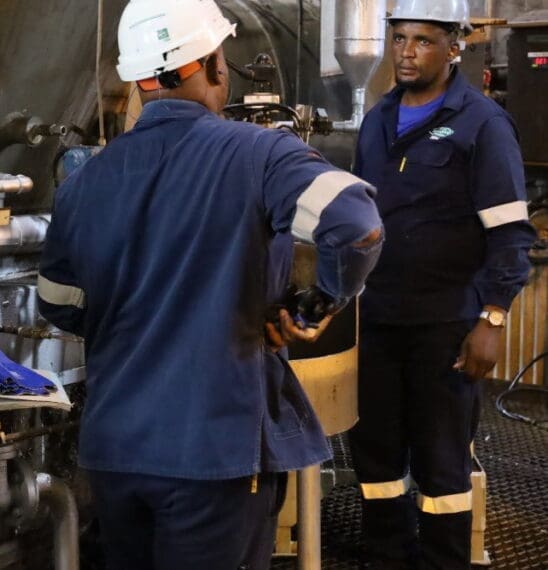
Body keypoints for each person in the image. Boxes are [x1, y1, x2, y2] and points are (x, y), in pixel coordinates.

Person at [37, 0, 385, 566]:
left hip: (115, 452)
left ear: (140, 80)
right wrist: (315, 304)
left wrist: (136, 317)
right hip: (214, 456)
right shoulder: (259, 153)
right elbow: (359, 228)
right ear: (214, 65)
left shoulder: (84, 181)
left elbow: (59, 301)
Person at [349, 0, 537, 567]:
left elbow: (510, 234)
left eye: (423, 40)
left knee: (441, 461)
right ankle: (386, 554)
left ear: (455, 46)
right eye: (399, 38)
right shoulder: (379, 118)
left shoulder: (483, 124)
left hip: (445, 324)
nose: (406, 52)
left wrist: (493, 318)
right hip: (377, 316)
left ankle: (444, 559)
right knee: (376, 455)